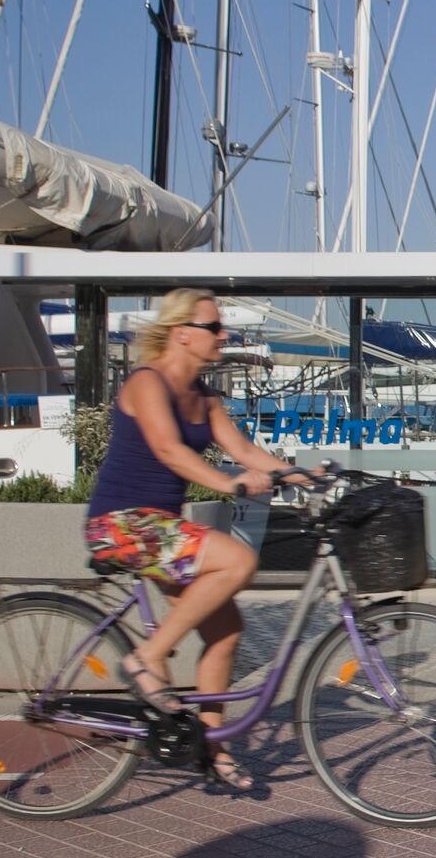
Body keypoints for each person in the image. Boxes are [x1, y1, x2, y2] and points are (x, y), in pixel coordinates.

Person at [82, 288, 304, 792]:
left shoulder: (205, 397)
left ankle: (214, 752)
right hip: (122, 523)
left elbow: (244, 449)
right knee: (237, 561)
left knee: (225, 632)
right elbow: (168, 450)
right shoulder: (147, 383)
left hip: (162, 528)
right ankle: (148, 657)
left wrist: (302, 475)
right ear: (182, 332)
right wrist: (227, 484)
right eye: (214, 327)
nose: (224, 335)